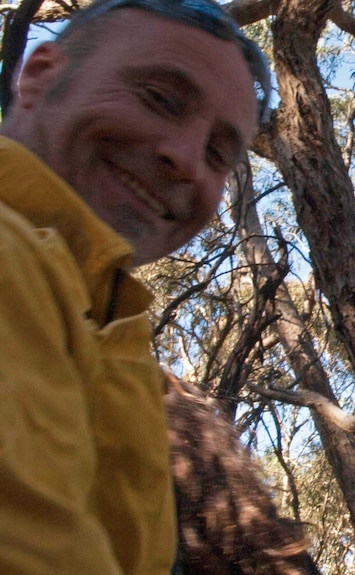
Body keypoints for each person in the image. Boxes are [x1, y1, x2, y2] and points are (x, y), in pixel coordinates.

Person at [0, 0, 270, 572]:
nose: (187, 162)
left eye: (219, 153)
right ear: (40, 75)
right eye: (160, 99)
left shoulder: (111, 337)